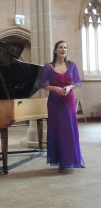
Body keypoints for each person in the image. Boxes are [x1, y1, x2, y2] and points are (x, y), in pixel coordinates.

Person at [39, 40, 84, 173]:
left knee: (70, 128)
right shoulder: (48, 66)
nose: (63, 49)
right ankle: (61, 162)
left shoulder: (72, 65)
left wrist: (70, 87)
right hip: (54, 102)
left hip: (68, 100)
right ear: (55, 50)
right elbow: (43, 84)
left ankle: (75, 158)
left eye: (65, 47)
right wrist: (54, 88)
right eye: (60, 47)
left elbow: (77, 82)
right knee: (57, 129)